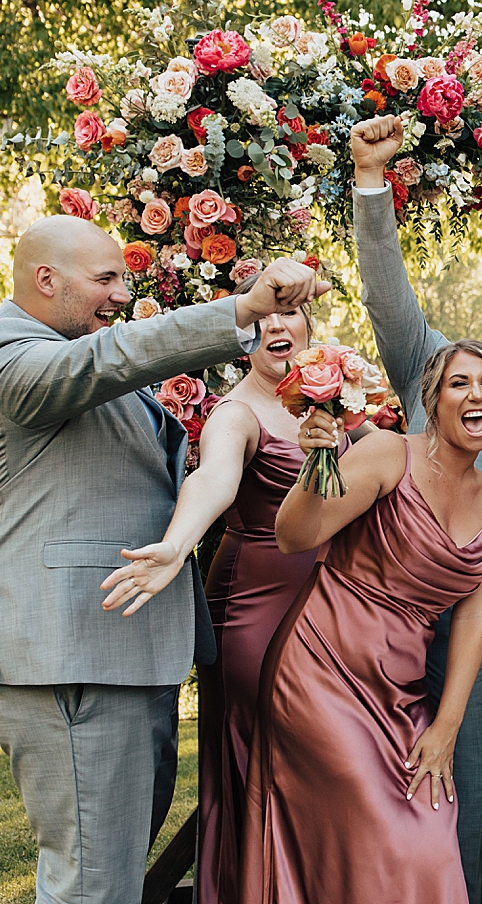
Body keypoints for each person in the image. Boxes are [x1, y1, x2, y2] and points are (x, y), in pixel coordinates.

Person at [0, 213, 325, 904]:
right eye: (105, 279)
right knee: (93, 882)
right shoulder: (0, 352)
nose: (120, 294)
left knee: (112, 868)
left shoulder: (75, 349)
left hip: (119, 651)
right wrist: (241, 310)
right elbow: (112, 360)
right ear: (46, 279)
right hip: (71, 654)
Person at [351, 113, 482, 904]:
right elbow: (387, 294)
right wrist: (371, 183)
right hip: (452, 614)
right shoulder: (433, 362)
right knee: (463, 794)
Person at [241, 340, 482, 904]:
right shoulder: (390, 454)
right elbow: (294, 537)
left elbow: (474, 612)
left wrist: (447, 726)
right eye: (460, 383)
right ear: (432, 401)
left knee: (429, 835)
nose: (476, 394)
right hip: (322, 672)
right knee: (382, 840)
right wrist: (314, 467)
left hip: (402, 694)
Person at [103, 285, 324, 904]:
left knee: (320, 761)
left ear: (309, 326)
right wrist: (177, 545)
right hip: (256, 605)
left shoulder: (334, 405)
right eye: (263, 316)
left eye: (289, 313)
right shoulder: (236, 413)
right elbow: (215, 481)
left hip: (328, 607)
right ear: (244, 333)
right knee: (263, 760)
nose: (276, 326)